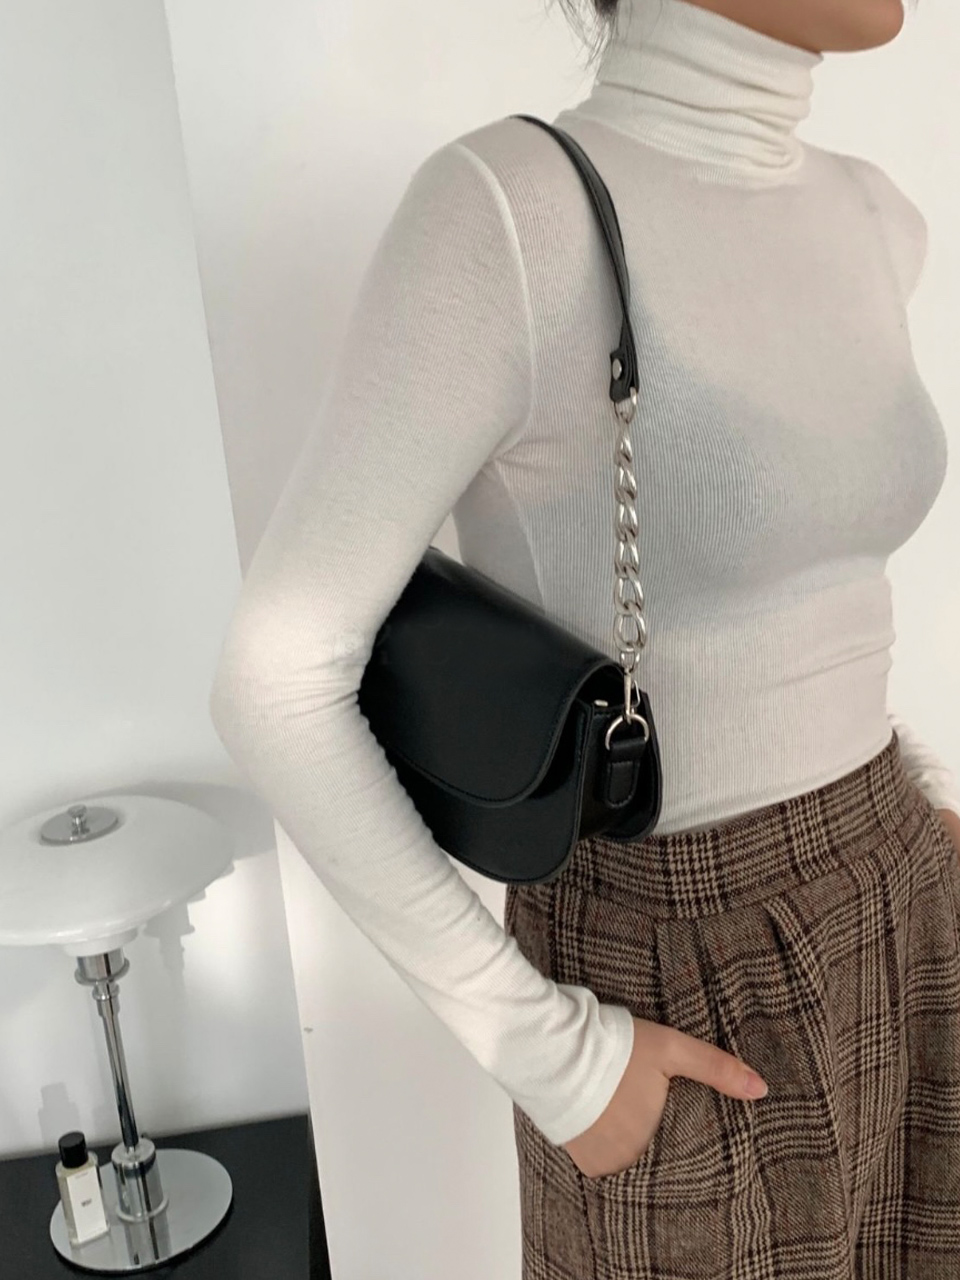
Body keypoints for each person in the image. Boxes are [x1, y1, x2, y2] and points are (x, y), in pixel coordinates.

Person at [207, 0, 960, 1274]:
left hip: (904, 897)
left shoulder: (876, 214)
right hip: (674, 964)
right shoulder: (513, 212)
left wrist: (904, 829)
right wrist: (551, 1056)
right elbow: (274, 677)